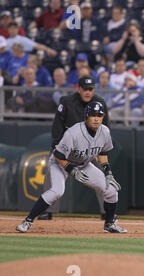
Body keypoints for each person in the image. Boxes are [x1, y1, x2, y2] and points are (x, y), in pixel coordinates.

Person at [15, 101, 126, 233]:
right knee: (57, 191)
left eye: (99, 115)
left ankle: (109, 224)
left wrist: (108, 173)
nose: (96, 118)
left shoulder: (104, 131)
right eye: (93, 115)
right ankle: (27, 221)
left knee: (111, 190)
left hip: (83, 165)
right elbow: (58, 155)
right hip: (60, 164)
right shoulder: (73, 133)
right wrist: (71, 170)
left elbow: (102, 153)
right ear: (86, 116)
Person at [37, 75, 110, 220]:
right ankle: (47, 210)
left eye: (90, 89)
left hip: (90, 149)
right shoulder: (67, 101)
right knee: (52, 174)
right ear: (79, 89)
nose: (88, 92)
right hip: (68, 147)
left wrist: (99, 149)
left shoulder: (100, 102)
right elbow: (57, 126)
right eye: (85, 89)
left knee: (104, 175)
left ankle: (107, 210)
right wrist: (57, 147)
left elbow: (105, 128)